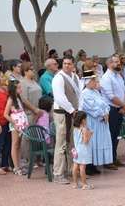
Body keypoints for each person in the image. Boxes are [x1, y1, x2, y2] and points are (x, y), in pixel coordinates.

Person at [52, 56, 80, 184]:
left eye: (69, 63)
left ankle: (71, 170)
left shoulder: (75, 76)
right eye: (65, 63)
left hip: (73, 112)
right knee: (61, 144)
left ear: (73, 65)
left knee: (72, 143)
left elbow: (79, 94)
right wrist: (71, 110)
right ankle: (58, 173)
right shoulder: (58, 78)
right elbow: (60, 97)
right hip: (62, 113)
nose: (67, 65)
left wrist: (79, 109)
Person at [79, 70, 113, 174]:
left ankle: (95, 164)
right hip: (93, 122)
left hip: (102, 122)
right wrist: (101, 114)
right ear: (87, 81)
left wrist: (106, 112)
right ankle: (89, 166)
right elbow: (90, 108)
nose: (96, 82)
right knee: (92, 143)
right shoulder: (84, 94)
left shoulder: (96, 92)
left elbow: (105, 104)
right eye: (93, 80)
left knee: (100, 142)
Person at [4, 80, 40, 175]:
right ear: (14, 89)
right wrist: (14, 123)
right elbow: (6, 114)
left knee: (19, 145)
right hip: (16, 124)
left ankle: (19, 165)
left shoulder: (18, 98)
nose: (21, 89)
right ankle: (16, 167)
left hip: (22, 122)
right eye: (18, 87)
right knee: (15, 144)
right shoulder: (11, 99)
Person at [100, 55, 125, 169]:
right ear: (109, 64)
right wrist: (124, 105)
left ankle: (114, 158)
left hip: (120, 109)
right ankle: (108, 161)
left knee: (116, 135)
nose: (118, 64)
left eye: (118, 62)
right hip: (111, 109)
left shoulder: (118, 76)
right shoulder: (106, 77)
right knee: (110, 135)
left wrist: (124, 106)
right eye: (115, 62)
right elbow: (111, 96)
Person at [72, 111, 94, 190]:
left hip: (76, 149)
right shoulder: (84, 129)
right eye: (86, 119)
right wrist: (90, 135)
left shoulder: (75, 129)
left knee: (75, 166)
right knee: (82, 167)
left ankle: (75, 183)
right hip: (83, 150)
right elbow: (85, 141)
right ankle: (84, 184)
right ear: (83, 120)